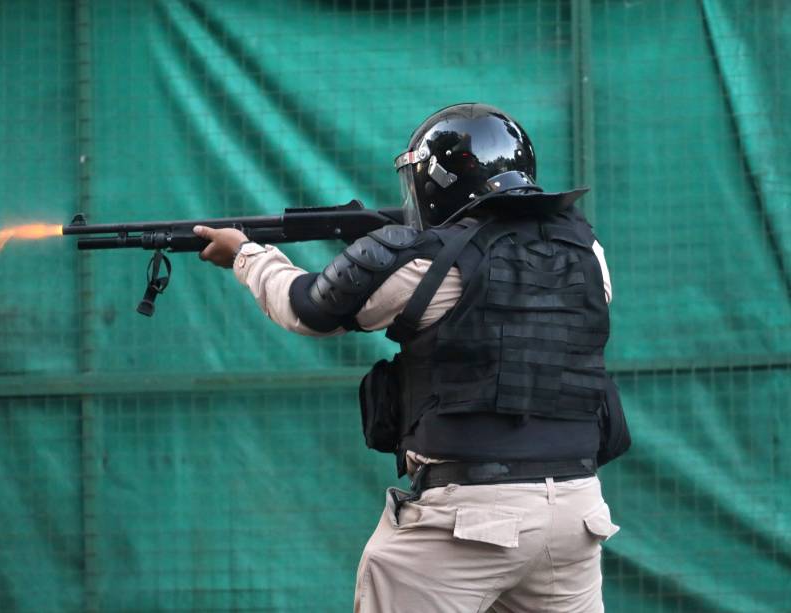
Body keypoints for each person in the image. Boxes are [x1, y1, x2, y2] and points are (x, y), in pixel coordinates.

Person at [193, 103, 627, 612]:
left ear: (439, 180)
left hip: (472, 520)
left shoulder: (434, 260)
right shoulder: (586, 252)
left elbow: (306, 310)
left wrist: (246, 255)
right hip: (578, 513)